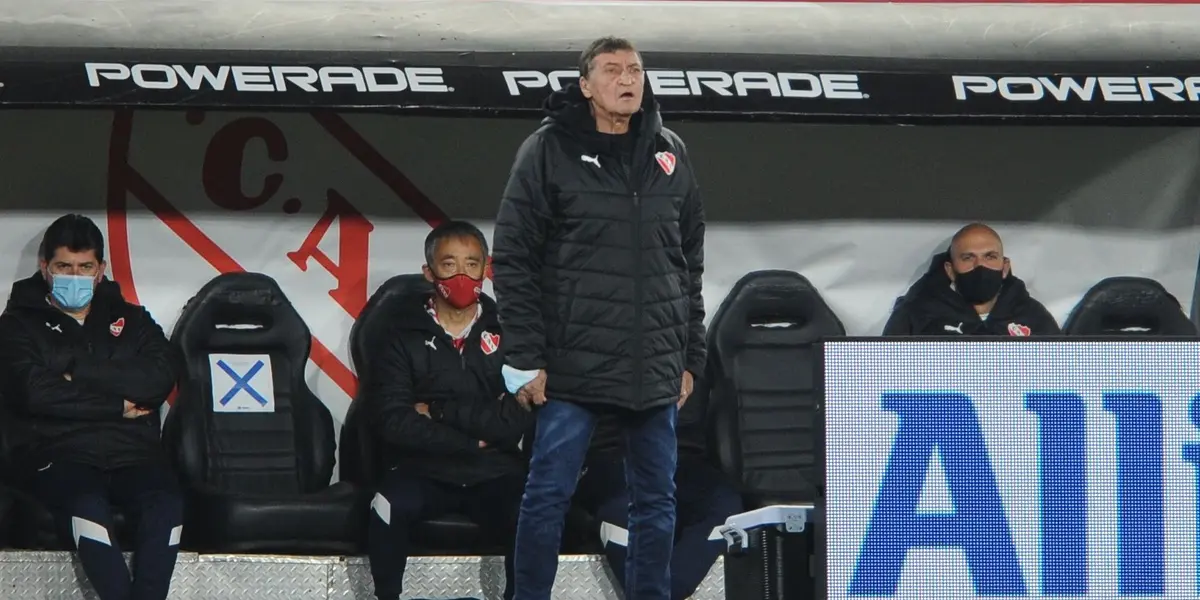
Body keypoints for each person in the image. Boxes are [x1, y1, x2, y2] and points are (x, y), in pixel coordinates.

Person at [492, 36, 708, 600]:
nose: (627, 79)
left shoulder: (671, 151)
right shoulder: (547, 150)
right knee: (547, 496)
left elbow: (688, 261)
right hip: (573, 365)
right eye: (611, 70)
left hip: (653, 367)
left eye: (634, 68)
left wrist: (689, 356)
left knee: (657, 502)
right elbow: (514, 256)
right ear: (585, 86)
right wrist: (523, 356)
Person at [0, 214, 183, 600]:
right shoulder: (17, 325)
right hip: (58, 453)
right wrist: (117, 404)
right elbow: (36, 394)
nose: (75, 276)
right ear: (44, 267)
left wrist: (77, 371)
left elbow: (159, 376)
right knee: (86, 504)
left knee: (166, 504)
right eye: (64, 266)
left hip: (133, 453)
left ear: (101, 270)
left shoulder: (130, 319)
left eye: (85, 267)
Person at [363, 220, 533, 600]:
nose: (462, 275)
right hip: (422, 469)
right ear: (429, 272)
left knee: (535, 510)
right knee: (387, 504)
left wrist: (437, 410)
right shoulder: (398, 334)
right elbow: (393, 420)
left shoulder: (512, 333)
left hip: (496, 471)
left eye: (472, 265)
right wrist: (472, 442)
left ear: (486, 271)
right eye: (449, 264)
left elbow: (514, 421)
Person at [575, 375, 742, 600]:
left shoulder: (694, 350)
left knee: (725, 504)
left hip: (684, 458)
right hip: (614, 456)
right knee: (621, 508)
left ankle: (669, 588)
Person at [883, 222, 1060, 336]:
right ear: (950, 270)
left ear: (1005, 267)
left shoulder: (1033, 316)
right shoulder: (915, 314)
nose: (979, 266)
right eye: (968, 258)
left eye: (989, 257)